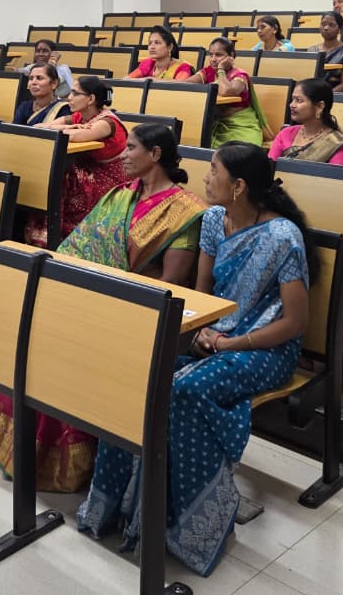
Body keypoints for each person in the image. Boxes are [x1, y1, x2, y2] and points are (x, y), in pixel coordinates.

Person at [77, 142, 310, 576]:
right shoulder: (214, 220)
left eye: (214, 171)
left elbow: (295, 322)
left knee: (183, 390)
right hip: (215, 335)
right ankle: (119, 504)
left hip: (265, 347)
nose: (205, 177)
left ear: (239, 186)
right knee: (138, 372)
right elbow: (202, 296)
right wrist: (203, 330)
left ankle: (194, 522)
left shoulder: (282, 237)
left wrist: (229, 343)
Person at [0, 125, 206, 491]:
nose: (123, 155)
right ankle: (22, 446)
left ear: (155, 155)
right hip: (91, 295)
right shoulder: (119, 195)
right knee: (36, 327)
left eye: (131, 148)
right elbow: (79, 247)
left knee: (65, 346)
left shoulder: (185, 211)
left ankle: (66, 459)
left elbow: (171, 282)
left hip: (136, 308)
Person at [27, 76, 128, 245]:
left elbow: (77, 136)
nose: (69, 98)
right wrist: (68, 126)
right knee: (51, 172)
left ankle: (53, 235)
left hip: (111, 179)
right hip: (87, 171)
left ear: (91, 99)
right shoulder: (79, 118)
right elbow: (40, 127)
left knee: (62, 175)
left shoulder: (106, 122)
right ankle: (41, 231)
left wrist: (65, 129)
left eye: (75, 93)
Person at [188, 38, 269, 146]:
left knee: (238, 152)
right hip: (214, 125)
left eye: (218, 55)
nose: (213, 59)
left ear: (231, 55)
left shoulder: (240, 76)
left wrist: (221, 69)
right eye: (210, 55)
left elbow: (225, 91)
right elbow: (186, 84)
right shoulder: (208, 72)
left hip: (240, 127)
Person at [268, 78, 343, 165]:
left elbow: (335, 173)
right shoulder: (286, 133)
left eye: (299, 100)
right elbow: (269, 168)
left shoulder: (335, 144)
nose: (292, 105)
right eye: (292, 99)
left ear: (319, 106)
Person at [309, 12, 343, 93]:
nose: (326, 28)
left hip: (336, 95)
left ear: (339, 29)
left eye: (331, 25)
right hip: (312, 93)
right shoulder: (312, 50)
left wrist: (325, 96)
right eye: (323, 24)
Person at [13, 61, 70, 126]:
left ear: (54, 83)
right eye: (31, 78)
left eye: (39, 78)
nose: (33, 82)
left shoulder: (63, 109)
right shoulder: (24, 107)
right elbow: (13, 131)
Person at [127, 26, 194, 80]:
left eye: (157, 43)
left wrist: (152, 80)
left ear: (170, 47)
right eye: (150, 43)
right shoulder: (148, 64)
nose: (152, 47)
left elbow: (179, 85)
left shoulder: (182, 67)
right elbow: (126, 80)